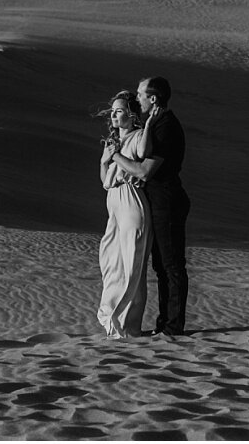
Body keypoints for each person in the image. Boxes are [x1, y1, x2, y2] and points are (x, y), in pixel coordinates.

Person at [111, 77, 190, 337]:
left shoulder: (165, 126)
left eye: (141, 94)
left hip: (166, 202)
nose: (138, 98)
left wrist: (116, 156)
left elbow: (145, 171)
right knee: (162, 266)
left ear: (153, 99)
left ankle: (172, 327)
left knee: (171, 265)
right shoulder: (155, 123)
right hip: (157, 202)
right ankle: (165, 324)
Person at [96, 90, 156, 338]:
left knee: (132, 263)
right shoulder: (113, 143)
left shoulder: (138, 136)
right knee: (111, 262)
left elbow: (142, 154)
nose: (113, 115)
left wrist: (149, 123)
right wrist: (104, 160)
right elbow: (105, 181)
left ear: (131, 115)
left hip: (132, 201)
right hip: (114, 203)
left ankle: (128, 327)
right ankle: (111, 319)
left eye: (119, 111)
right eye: (113, 111)